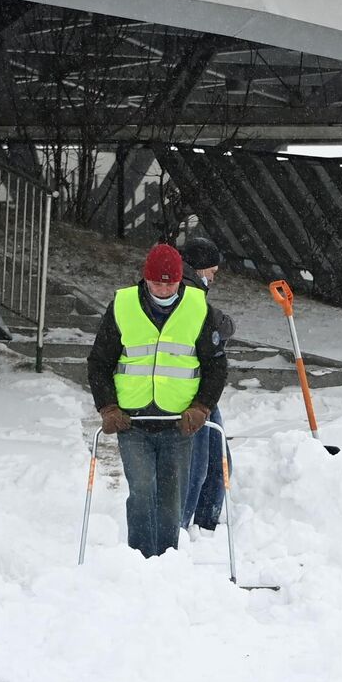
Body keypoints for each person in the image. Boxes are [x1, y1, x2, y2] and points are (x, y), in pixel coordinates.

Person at [86, 242, 229, 558]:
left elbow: (216, 366)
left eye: (170, 282)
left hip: (178, 424)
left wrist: (201, 407)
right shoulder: (123, 306)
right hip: (132, 422)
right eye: (156, 281)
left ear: (181, 279)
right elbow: (99, 361)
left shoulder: (198, 309)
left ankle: (166, 562)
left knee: (170, 497)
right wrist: (108, 407)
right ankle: (139, 559)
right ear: (145, 277)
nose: (163, 288)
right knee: (142, 491)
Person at [179, 236, 232, 533]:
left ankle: (201, 525)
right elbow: (220, 325)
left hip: (201, 389)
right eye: (211, 270)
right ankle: (185, 527)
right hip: (190, 390)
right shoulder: (187, 293)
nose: (213, 276)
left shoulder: (192, 290)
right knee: (199, 467)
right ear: (198, 268)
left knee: (214, 460)